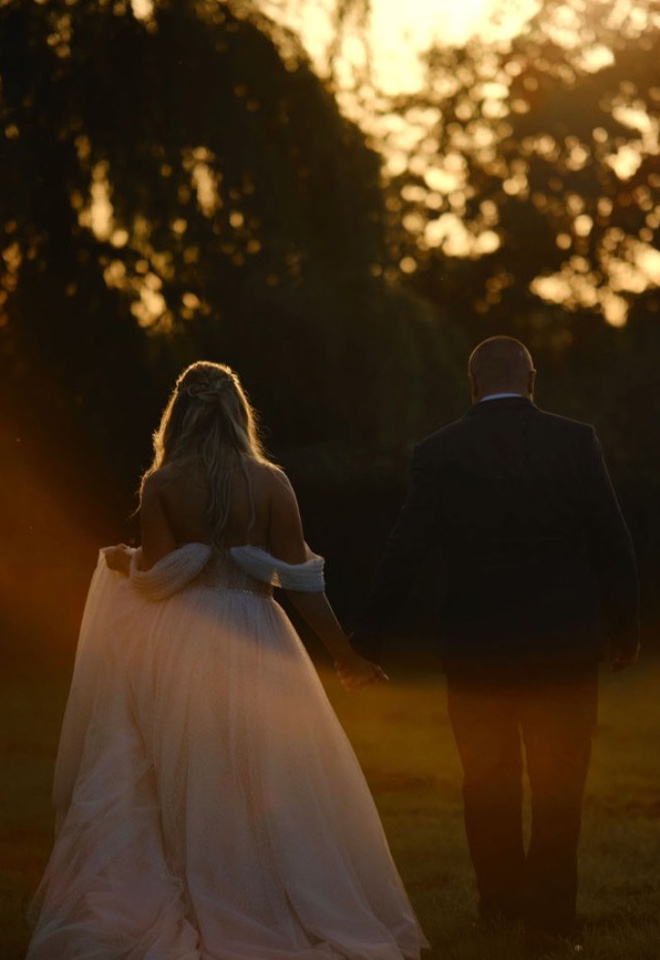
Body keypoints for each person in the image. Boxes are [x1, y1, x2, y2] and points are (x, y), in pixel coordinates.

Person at [26, 361, 427, 960]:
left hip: (182, 644)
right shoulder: (269, 482)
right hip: (256, 636)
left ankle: (195, 886)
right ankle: (269, 896)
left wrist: (125, 563)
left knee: (183, 772)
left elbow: (160, 581)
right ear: (239, 412)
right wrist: (345, 656)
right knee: (268, 774)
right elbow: (300, 579)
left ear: (178, 415)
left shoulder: (161, 485)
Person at [351, 336, 639, 955]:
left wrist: (368, 638)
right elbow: (613, 541)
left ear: (472, 383)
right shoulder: (574, 440)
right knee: (560, 785)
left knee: (487, 783)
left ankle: (499, 910)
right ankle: (553, 921)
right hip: (563, 647)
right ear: (531, 379)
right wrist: (624, 631)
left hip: (477, 649)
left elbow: (405, 549)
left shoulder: (439, 452)